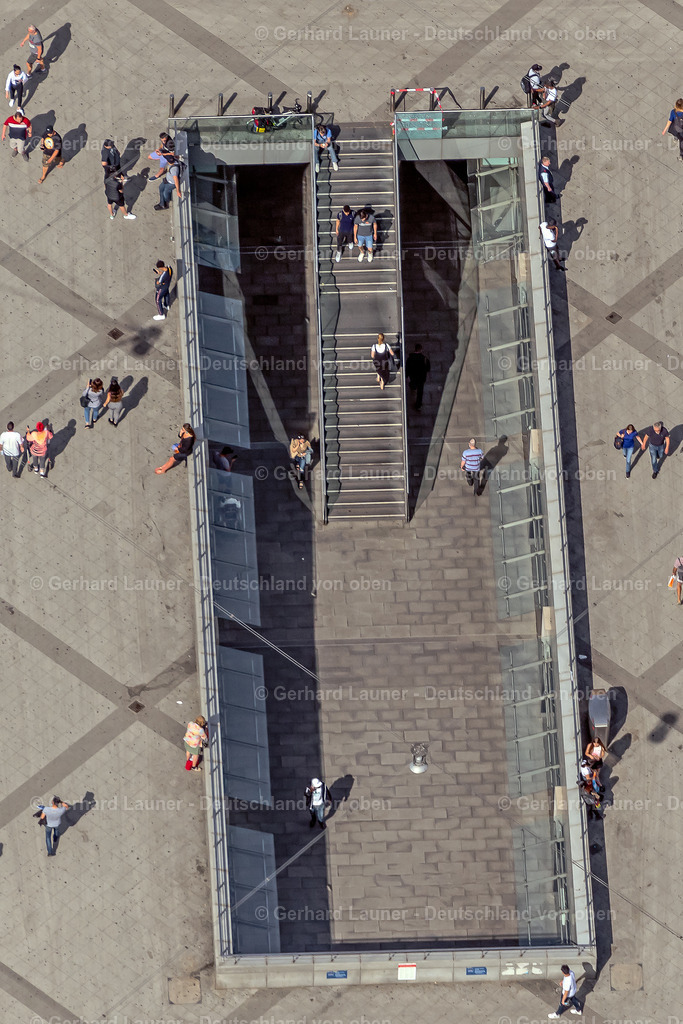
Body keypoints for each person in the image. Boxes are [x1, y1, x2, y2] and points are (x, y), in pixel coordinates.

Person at [406, 343, 430, 409]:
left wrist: (407, 376)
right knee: (420, 392)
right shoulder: (425, 359)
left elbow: (407, 368)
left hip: (413, 377)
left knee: (413, 385)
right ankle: (418, 405)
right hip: (421, 378)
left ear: (415, 349)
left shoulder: (410, 358)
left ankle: (413, 388)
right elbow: (428, 369)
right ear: (421, 350)